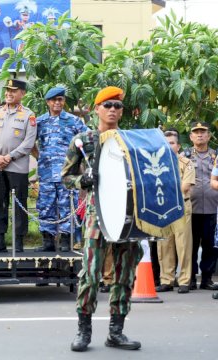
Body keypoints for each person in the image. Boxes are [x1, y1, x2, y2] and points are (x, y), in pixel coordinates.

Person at [63, 87, 142, 352]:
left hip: (127, 216)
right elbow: (66, 177)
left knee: (125, 274)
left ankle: (116, 332)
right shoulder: (83, 140)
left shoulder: (130, 140)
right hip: (98, 216)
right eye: (107, 105)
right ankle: (83, 332)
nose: (112, 110)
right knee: (91, 274)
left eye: (117, 106)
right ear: (96, 108)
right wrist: (81, 180)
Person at [0, 79, 36, 253]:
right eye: (7, 90)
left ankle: (18, 240)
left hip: (17, 167)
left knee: (19, 203)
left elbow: (29, 143)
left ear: (22, 94)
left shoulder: (28, 115)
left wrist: (9, 157)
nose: (9, 93)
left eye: (13, 91)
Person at [34, 86, 88, 252]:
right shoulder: (40, 122)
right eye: (54, 100)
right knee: (45, 205)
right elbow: (29, 142)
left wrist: (79, 164)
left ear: (64, 101)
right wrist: (40, 157)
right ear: (48, 102)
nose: (57, 103)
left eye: (60, 100)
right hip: (47, 172)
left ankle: (66, 240)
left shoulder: (74, 121)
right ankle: (47, 241)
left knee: (66, 204)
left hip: (67, 173)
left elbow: (87, 141)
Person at [157, 131, 194, 294]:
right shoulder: (155, 164)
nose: (169, 145)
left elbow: (185, 186)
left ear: (178, 146)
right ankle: (167, 280)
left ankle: (185, 280)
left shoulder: (187, 163)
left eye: (172, 143)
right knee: (164, 245)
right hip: (162, 209)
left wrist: (163, 192)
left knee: (183, 244)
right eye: (166, 143)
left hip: (180, 207)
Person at [185, 121, 218, 291]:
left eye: (203, 132)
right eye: (196, 132)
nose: (199, 135)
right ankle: (190, 278)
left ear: (209, 136)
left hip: (213, 207)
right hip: (191, 208)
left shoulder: (216, 156)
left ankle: (206, 279)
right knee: (190, 244)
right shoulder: (185, 156)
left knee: (209, 244)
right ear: (191, 137)